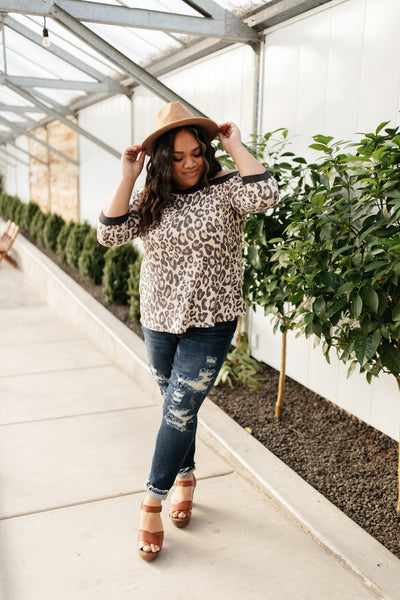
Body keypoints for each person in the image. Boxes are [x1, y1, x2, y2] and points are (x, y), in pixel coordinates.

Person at [97, 101, 279, 562]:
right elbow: (109, 233)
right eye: (177, 157)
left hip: (212, 321)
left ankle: (151, 501)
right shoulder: (151, 197)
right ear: (162, 160)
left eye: (196, 152)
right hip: (158, 319)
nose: (189, 163)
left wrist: (234, 144)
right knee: (177, 406)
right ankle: (186, 475)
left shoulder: (226, 189)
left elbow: (265, 195)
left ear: (206, 150)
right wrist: (128, 176)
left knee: (178, 411)